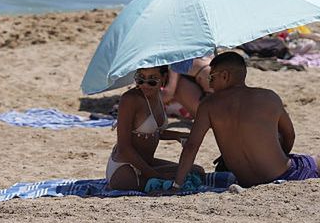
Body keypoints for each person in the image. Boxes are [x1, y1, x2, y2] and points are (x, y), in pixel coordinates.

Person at [172, 51, 318, 189]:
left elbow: (191, 146)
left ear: (225, 76)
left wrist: (177, 185)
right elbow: (290, 135)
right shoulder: (268, 97)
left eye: (211, 78)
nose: (209, 84)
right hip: (286, 174)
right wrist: (279, 156)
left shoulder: (208, 106)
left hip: (247, 182)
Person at [106, 65, 203, 191]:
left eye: (152, 81)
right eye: (140, 79)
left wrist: (178, 136)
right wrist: (156, 175)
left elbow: (154, 132)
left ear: (164, 78)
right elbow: (124, 149)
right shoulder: (130, 99)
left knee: (196, 171)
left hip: (146, 163)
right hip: (125, 168)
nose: (145, 85)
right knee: (179, 179)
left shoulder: (158, 96)